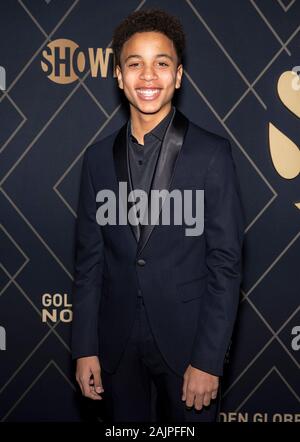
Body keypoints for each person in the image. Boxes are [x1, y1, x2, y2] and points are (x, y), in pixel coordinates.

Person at [71, 8, 245, 422]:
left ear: (178, 75)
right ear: (118, 76)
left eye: (161, 63)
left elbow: (225, 263)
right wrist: (83, 347)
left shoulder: (212, 154)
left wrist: (208, 359)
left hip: (188, 345)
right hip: (115, 345)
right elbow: (89, 263)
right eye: (135, 64)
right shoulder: (96, 160)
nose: (148, 76)